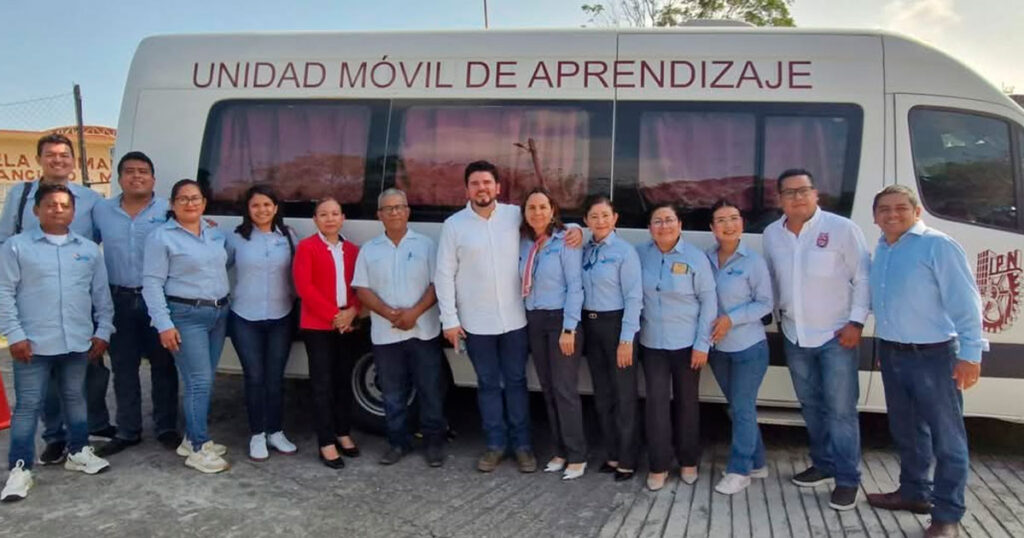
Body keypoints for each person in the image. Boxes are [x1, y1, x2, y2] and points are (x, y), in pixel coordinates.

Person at [865, 185, 986, 538]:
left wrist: (970, 356)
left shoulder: (938, 245)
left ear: (917, 212)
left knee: (948, 440)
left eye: (900, 207)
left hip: (934, 356)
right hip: (893, 353)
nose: (891, 214)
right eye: (884, 209)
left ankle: (947, 514)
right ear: (875, 217)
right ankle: (913, 492)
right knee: (907, 432)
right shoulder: (884, 249)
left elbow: (967, 304)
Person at [0, 133, 113, 465]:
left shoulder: (92, 200)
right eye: (51, 155)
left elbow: (108, 240)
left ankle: (84, 438)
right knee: (38, 390)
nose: (58, 160)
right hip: (34, 302)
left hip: (77, 300)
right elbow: (5, 244)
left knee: (79, 383)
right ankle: (53, 438)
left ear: (73, 161)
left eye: (65, 155)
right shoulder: (19, 196)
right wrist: (14, 328)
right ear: (40, 159)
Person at [762, 168, 870, 511]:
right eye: (789, 192)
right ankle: (823, 464)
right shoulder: (771, 234)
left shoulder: (842, 229)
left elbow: (863, 278)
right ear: (779, 199)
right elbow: (775, 282)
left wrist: (856, 322)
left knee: (841, 411)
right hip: (795, 335)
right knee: (811, 406)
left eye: (803, 190)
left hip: (836, 336)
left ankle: (847, 479)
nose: (797, 197)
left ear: (816, 194)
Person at [92, 152, 181, 457]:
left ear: (153, 178)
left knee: (164, 365)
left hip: (158, 299)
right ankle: (128, 430)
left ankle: (166, 427)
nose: (136, 176)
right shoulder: (102, 210)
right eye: (129, 171)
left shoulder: (169, 209)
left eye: (143, 171)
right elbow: (88, 247)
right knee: (123, 367)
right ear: (119, 178)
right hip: (118, 298)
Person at [352, 188, 446, 468]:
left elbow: (436, 285)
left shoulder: (426, 245)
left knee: (430, 390)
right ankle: (397, 442)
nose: (394, 212)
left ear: (408, 211)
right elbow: (361, 288)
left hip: (423, 330)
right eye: (388, 208)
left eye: (399, 207)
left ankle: (434, 443)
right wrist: (388, 314)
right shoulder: (370, 249)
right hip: (385, 334)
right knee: (392, 394)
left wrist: (413, 313)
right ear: (379, 215)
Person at [142, 179, 231, 474]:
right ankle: (197, 447)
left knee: (204, 380)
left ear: (204, 203)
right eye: (183, 199)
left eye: (195, 198)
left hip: (218, 314)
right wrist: (164, 325)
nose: (190, 203)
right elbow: (152, 283)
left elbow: (225, 262)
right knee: (198, 382)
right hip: (185, 315)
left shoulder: (215, 233)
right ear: (172, 204)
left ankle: (191, 439)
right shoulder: (161, 237)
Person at [637, 203, 716, 491]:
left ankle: (688, 461)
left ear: (680, 225)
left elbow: (709, 302)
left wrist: (702, 344)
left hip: (687, 345)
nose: (664, 226)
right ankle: (658, 465)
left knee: (687, 404)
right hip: (652, 343)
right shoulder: (640, 254)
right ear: (650, 228)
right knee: (656, 406)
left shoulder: (696, 258)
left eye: (669, 220)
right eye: (657, 221)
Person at [226, 185, 299, 461]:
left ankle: (276, 431)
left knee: (275, 378)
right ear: (248, 209)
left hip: (281, 316)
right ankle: (257, 434)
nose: (262, 210)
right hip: (245, 318)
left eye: (267, 205)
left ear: (276, 207)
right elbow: (216, 266)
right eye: (256, 205)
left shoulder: (289, 236)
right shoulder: (235, 239)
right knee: (255, 378)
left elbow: (301, 271)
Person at [705, 200, 773, 495]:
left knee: (743, 408)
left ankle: (739, 470)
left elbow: (765, 304)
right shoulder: (704, 259)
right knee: (737, 408)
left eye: (734, 218)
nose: (728, 225)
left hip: (749, 348)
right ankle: (758, 462)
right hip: (718, 350)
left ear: (742, 224)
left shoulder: (753, 261)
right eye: (721, 220)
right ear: (712, 228)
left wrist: (732, 319)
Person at [518, 187, 587, 481]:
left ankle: (578, 455)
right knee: (547, 386)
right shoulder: (523, 243)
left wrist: (569, 327)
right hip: (534, 319)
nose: (537, 213)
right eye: (531, 208)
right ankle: (559, 451)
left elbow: (575, 285)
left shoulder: (566, 239)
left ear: (553, 209)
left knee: (565, 389)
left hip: (561, 320)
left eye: (543, 207)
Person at [292, 197, 362, 470]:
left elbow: (361, 287)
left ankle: (343, 431)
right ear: (315, 219)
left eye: (335, 213)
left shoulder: (354, 250)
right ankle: (325, 441)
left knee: (344, 381)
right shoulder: (307, 248)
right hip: (318, 325)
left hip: (348, 323)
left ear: (343, 218)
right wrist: (335, 316)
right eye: (324, 214)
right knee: (321, 384)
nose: (330, 218)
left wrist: (351, 312)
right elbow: (304, 288)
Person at [580, 195, 642, 482]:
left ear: (615, 218)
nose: (600, 221)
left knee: (624, 396)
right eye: (594, 216)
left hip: (617, 326)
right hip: (591, 327)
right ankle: (612, 453)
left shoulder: (624, 252)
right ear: (586, 221)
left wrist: (626, 339)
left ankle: (628, 459)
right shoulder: (583, 249)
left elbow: (633, 297)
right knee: (603, 396)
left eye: (605, 215)